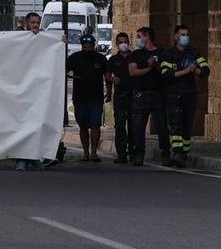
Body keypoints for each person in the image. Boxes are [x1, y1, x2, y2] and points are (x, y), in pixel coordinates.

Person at [160, 24, 210, 168]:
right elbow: (166, 75)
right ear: (176, 36)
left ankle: (184, 152)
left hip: (189, 93)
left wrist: (196, 71)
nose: (185, 37)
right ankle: (177, 152)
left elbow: (206, 71)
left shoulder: (193, 53)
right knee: (176, 124)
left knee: (187, 124)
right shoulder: (168, 54)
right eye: (182, 34)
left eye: (187, 35)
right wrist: (186, 71)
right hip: (173, 93)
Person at [128, 26, 170, 166]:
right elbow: (133, 72)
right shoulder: (136, 54)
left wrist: (156, 65)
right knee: (138, 126)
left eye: (139, 36)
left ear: (147, 37)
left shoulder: (162, 53)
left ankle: (165, 153)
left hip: (158, 93)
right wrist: (148, 68)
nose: (137, 39)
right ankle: (139, 154)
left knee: (162, 126)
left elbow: (166, 72)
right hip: (141, 94)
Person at [67, 33, 107, 162]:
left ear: (93, 45)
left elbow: (107, 75)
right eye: (85, 45)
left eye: (89, 45)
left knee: (96, 125)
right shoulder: (75, 58)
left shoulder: (101, 59)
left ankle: (94, 153)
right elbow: (63, 69)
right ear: (82, 45)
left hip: (96, 97)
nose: (87, 46)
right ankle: (85, 153)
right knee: (83, 126)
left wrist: (110, 91)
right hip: (80, 98)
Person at [106, 30, 135, 163]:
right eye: (121, 42)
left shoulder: (135, 57)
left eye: (125, 42)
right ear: (117, 44)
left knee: (134, 125)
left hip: (134, 95)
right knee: (120, 126)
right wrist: (112, 81)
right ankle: (121, 154)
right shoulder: (113, 60)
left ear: (129, 43)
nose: (123, 44)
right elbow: (107, 76)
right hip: (120, 96)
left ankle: (134, 152)